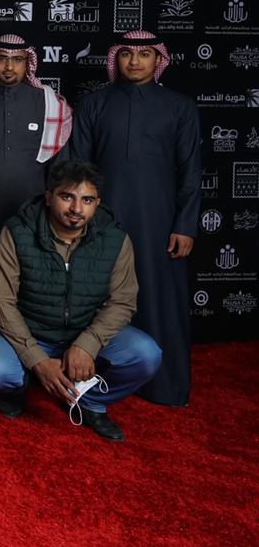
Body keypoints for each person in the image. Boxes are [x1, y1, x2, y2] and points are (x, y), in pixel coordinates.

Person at [0, 160, 163, 441]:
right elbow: (0, 300)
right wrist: (37, 360)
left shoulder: (115, 237)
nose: (76, 209)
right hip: (29, 330)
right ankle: (18, 386)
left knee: (147, 354)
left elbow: (123, 301)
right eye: (67, 197)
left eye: (87, 200)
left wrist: (87, 344)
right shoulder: (17, 232)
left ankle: (89, 401)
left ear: (98, 203)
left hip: (83, 330)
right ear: (49, 197)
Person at [66, 31, 201, 407]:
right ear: (116, 58)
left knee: (160, 298)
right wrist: (81, 218)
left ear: (159, 59)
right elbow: (78, 168)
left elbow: (191, 171)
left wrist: (185, 225)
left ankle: (165, 385)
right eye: (126, 53)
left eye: (144, 54)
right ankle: (93, 383)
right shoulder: (94, 104)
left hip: (159, 221)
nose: (135, 61)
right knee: (98, 296)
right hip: (101, 221)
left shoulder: (180, 107)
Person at [0, 34, 72, 357]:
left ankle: (28, 357)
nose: (9, 67)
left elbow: (60, 171)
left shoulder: (48, 104)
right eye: (2, 59)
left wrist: (52, 218)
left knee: (28, 283)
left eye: (17, 60)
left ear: (28, 63)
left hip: (32, 217)